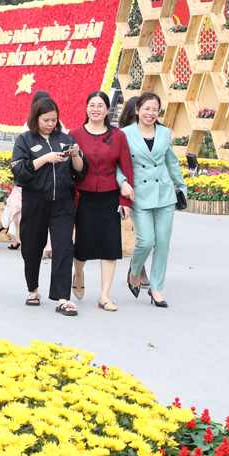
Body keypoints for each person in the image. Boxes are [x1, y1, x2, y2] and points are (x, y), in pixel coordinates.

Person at [11, 95, 85, 316]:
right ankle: (33, 289)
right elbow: (19, 171)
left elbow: (80, 171)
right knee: (32, 247)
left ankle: (62, 298)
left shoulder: (65, 138)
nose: (50, 124)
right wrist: (45, 158)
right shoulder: (25, 140)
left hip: (62, 203)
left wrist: (76, 155)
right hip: (35, 202)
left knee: (63, 247)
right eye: (46, 120)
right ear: (36, 119)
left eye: (54, 120)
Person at [117, 93, 187, 308]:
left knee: (163, 243)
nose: (151, 113)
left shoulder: (165, 133)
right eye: (147, 109)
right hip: (138, 194)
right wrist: (122, 182)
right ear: (137, 110)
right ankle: (135, 270)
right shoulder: (125, 134)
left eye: (155, 109)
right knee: (146, 240)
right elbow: (116, 164)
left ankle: (156, 288)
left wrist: (181, 186)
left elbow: (171, 162)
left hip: (164, 194)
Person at [69, 91, 134, 312]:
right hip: (83, 196)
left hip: (109, 196)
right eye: (92, 105)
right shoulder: (75, 134)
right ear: (86, 108)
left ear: (107, 110)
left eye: (100, 105)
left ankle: (105, 295)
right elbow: (68, 169)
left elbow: (126, 168)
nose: (95, 109)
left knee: (110, 246)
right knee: (83, 245)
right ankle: (78, 273)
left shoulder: (118, 136)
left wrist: (125, 201)